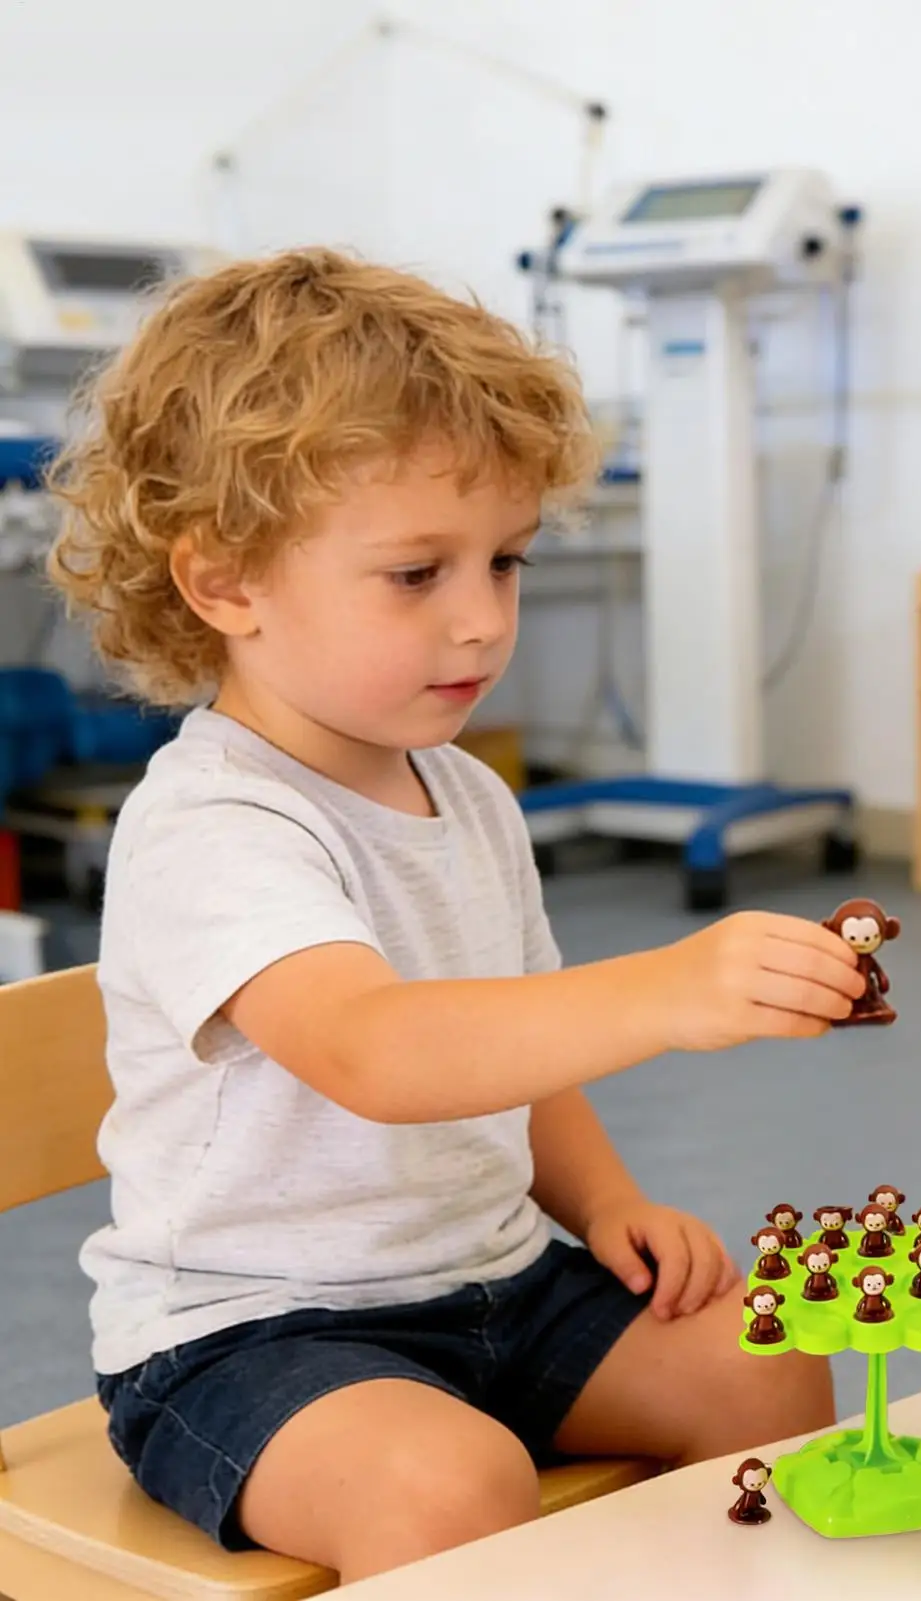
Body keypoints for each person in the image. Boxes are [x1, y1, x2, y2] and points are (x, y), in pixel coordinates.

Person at [46, 247, 863, 1583]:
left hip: (504, 1288)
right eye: (417, 575)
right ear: (224, 584)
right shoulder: (216, 824)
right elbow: (378, 1049)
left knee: (760, 1360)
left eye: (507, 561)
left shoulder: (467, 795)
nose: (484, 622)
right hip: (251, 1336)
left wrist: (604, 1201)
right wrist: (665, 990)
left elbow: (513, 1047)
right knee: (450, 1486)